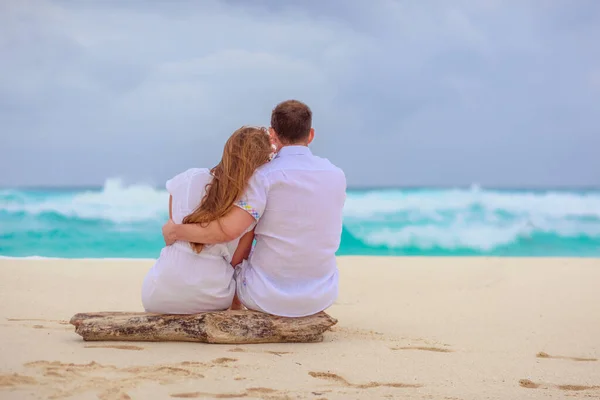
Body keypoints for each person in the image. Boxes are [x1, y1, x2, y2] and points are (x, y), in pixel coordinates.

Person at [162, 100, 347, 317]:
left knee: (242, 245)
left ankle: (234, 306)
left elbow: (228, 231)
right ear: (311, 134)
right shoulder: (336, 175)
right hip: (321, 296)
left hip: (266, 298)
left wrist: (177, 231)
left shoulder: (263, 177)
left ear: (272, 135)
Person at [142, 126, 273, 314]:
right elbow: (236, 263)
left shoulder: (187, 179)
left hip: (158, 295)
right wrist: (236, 304)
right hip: (212, 297)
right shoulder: (249, 207)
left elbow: (173, 229)